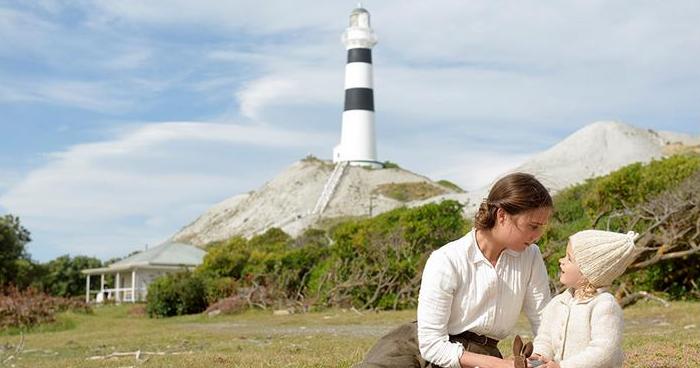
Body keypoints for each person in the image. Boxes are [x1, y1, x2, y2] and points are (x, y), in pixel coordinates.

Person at [355, 172, 553, 368]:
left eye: (541, 228)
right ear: (502, 216)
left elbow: (543, 320)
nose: (537, 235)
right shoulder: (447, 259)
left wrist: (538, 358)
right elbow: (431, 344)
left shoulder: (530, 256)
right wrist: (500, 365)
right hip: (417, 347)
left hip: (480, 354)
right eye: (532, 226)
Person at [530, 230, 640, 368]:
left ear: (587, 272)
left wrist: (562, 366)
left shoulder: (604, 305)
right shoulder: (558, 302)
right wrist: (539, 355)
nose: (561, 261)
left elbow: (603, 352)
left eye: (569, 258)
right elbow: (545, 338)